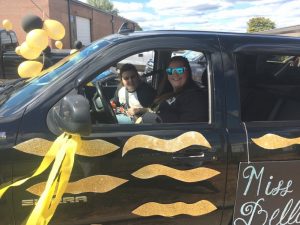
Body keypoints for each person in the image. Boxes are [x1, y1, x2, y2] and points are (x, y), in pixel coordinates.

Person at [151, 56, 208, 123]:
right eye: (170, 71)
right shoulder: (169, 91)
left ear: (188, 72)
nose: (175, 74)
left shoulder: (195, 98)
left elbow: (187, 128)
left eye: (180, 70)